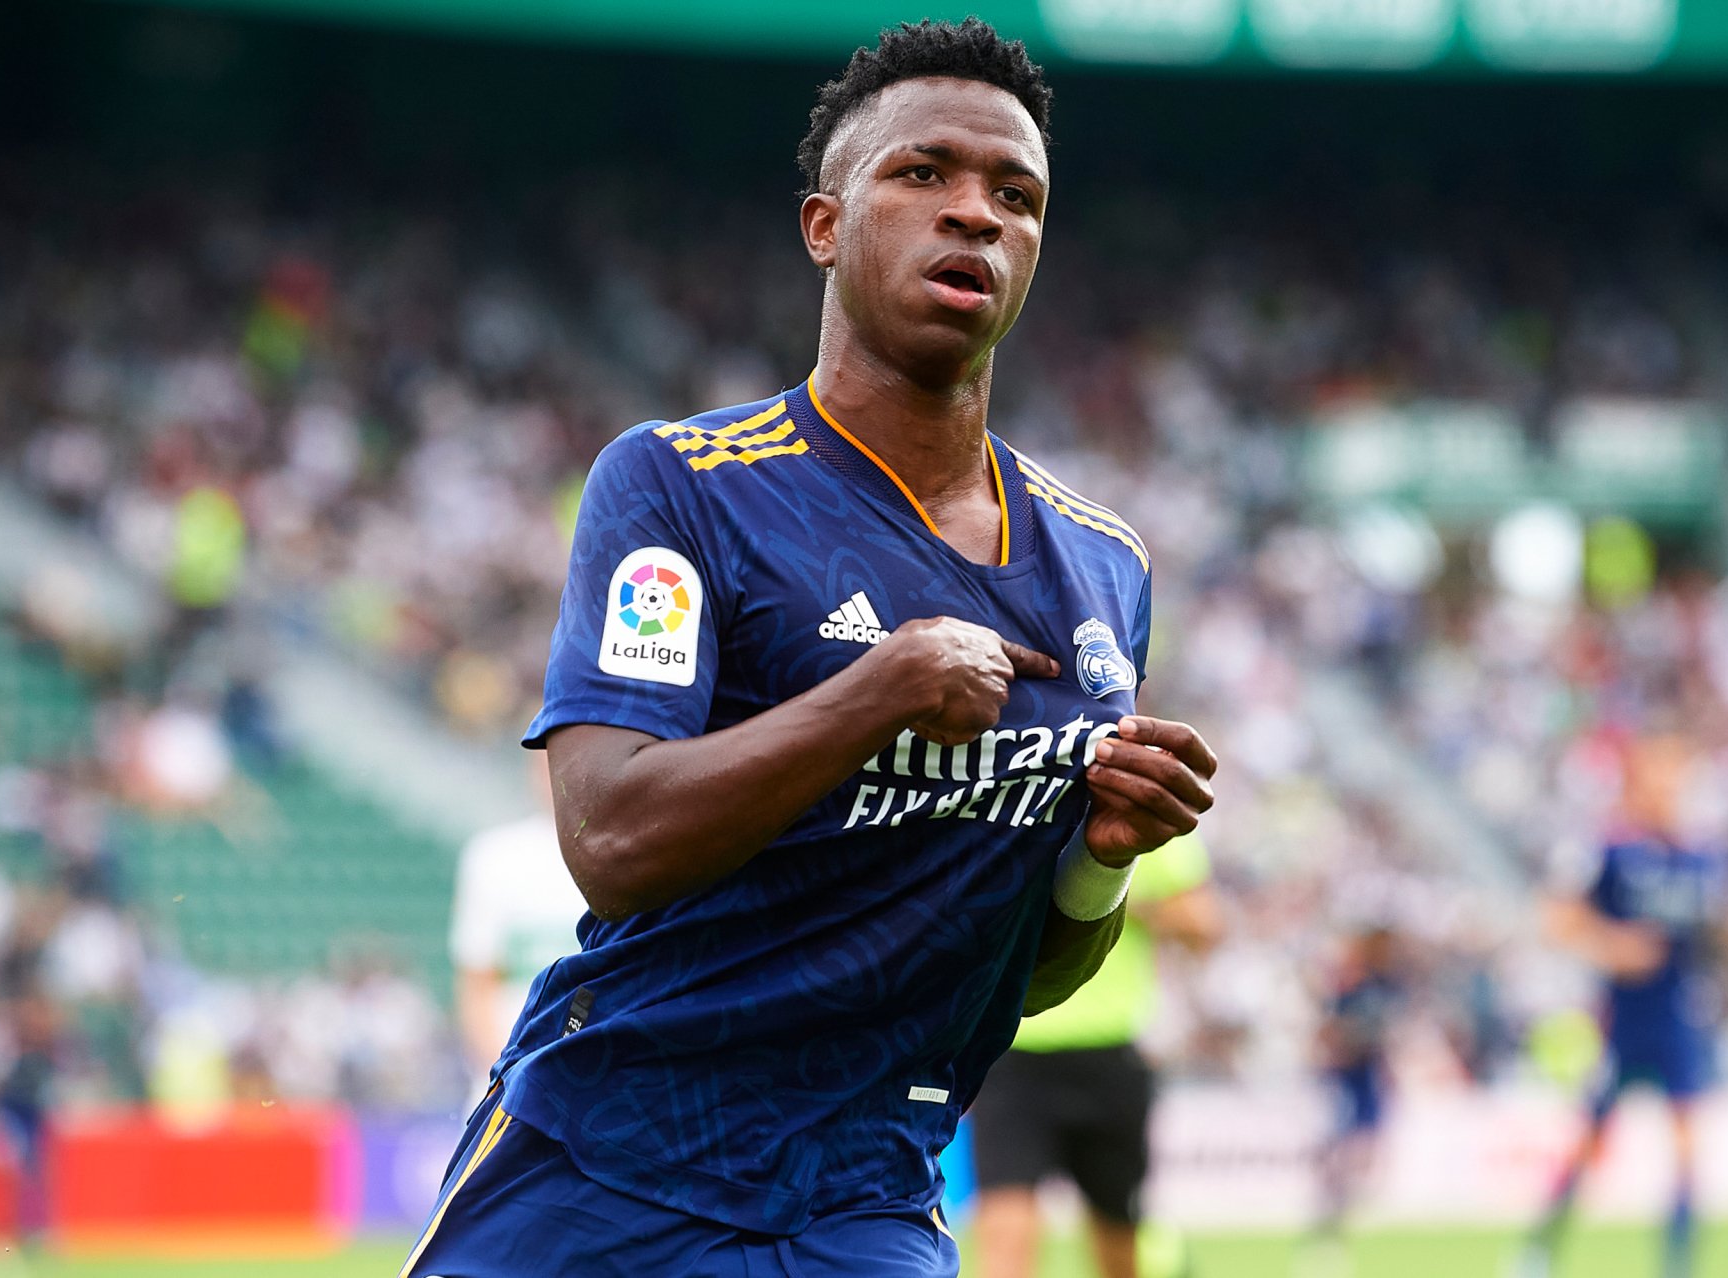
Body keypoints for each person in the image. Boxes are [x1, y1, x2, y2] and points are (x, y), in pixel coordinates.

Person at [397, 20, 1218, 1278]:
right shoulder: (680, 486)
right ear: (824, 227)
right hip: (605, 1164)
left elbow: (1032, 977)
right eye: (922, 174)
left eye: (1017, 196)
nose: (976, 216)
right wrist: (876, 691)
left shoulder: (1103, 568)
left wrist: (1101, 867)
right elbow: (611, 841)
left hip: (860, 1201)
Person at [1514, 735, 1728, 1278]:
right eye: (1661, 778)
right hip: (1620, 1023)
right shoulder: (1612, 851)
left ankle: (1678, 1266)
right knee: (1588, 1145)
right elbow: (1556, 918)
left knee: (1687, 1149)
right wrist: (1610, 945)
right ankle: (1537, 1253)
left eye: (1679, 780)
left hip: (1680, 1021)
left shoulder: (1706, 857)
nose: (1672, 791)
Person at [971, 829, 1222, 1278]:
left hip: (1107, 1053)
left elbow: (1203, 927)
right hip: (1012, 1050)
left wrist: (1109, 892)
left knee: (1118, 1241)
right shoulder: (1013, 811)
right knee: (1006, 1237)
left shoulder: (1139, 814)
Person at [449, 757, 585, 1100]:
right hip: (507, 1082)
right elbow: (476, 987)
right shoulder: (494, 858)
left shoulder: (622, 855)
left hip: (589, 1076)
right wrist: (507, 1072)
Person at [1305, 925, 1405, 1273]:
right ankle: (1329, 1223)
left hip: (1367, 1081)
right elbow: (1331, 1035)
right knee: (1343, 1157)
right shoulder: (1350, 990)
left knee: (1363, 1155)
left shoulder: (1381, 987)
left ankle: (1340, 1219)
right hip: (1347, 1083)